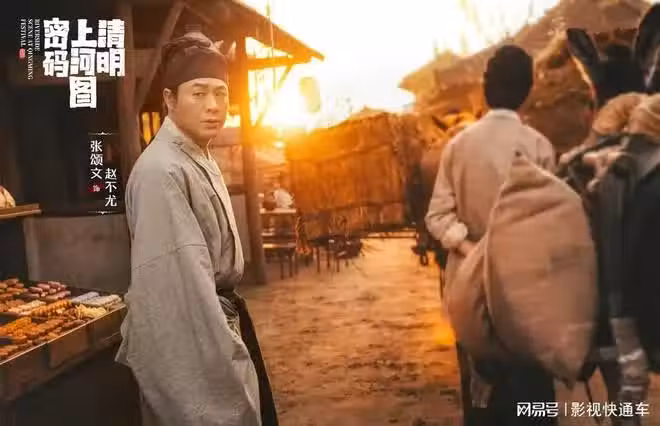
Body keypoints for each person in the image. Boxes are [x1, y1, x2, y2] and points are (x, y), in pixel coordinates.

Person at [116, 32, 277, 426]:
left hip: (218, 316)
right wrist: (223, 361)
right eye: (199, 93)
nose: (213, 106)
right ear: (169, 99)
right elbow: (179, 293)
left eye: (221, 93)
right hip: (196, 326)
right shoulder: (161, 171)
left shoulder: (196, 154)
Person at [425, 45, 557, 425]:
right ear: (527, 90)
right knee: (534, 397)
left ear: (485, 88)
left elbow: (437, 216)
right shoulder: (539, 146)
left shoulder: (457, 146)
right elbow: (552, 224)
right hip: (528, 294)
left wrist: (472, 249)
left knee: (482, 398)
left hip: (471, 293)